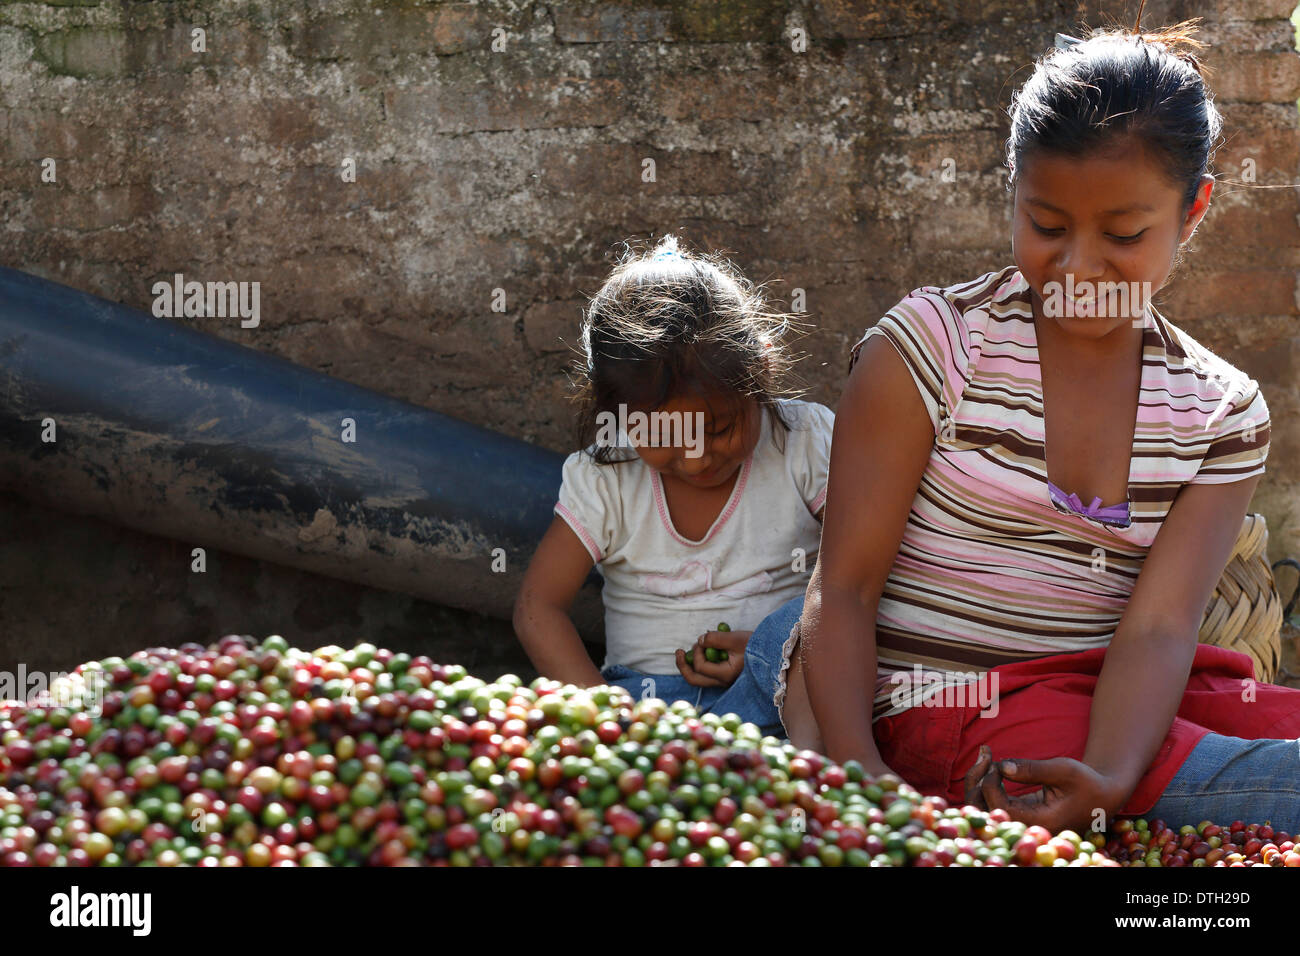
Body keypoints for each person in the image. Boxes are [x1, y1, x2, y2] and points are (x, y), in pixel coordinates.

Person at [776, 22, 1300, 833]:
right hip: (947, 704)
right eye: (1046, 226)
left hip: (1106, 697)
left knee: (1263, 716)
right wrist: (861, 775)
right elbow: (842, 588)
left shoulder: (1222, 413)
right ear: (1012, 191)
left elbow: (1159, 630)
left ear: (1194, 209)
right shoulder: (930, 349)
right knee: (1248, 786)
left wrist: (1111, 772)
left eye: (1124, 236)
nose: (1078, 268)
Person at [513, 235, 830, 737]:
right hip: (645, 709)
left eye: (721, 428)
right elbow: (538, 608)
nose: (697, 457)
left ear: (761, 371)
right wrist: (608, 723)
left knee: (812, 624)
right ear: (620, 420)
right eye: (663, 438)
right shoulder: (608, 476)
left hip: (781, 700)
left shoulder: (802, 443)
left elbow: (865, 568)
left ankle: (791, 775)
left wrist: (775, 650)